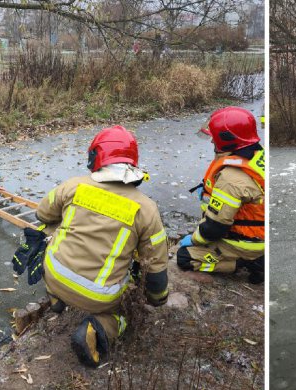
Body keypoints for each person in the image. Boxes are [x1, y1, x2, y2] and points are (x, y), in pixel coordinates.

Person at [34, 126, 169, 368]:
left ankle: (56, 298)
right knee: (131, 306)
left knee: (53, 231)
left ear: (95, 157)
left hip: (53, 273)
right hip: (98, 296)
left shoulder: (73, 185)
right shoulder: (146, 209)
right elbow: (156, 265)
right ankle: (100, 330)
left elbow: (43, 214)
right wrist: (157, 299)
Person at [178, 107, 265, 284]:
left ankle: (243, 262)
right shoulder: (257, 155)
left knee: (185, 258)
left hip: (245, 243)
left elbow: (214, 228)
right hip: (259, 235)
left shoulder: (231, 177)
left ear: (227, 140)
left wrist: (195, 240)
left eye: (214, 138)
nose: (211, 142)